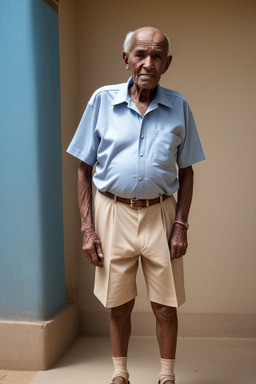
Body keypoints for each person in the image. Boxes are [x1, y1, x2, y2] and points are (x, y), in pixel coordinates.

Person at [67, 26, 205, 384]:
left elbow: (186, 172)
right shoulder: (102, 101)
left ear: (167, 63)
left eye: (157, 56)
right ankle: (119, 373)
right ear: (126, 59)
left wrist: (181, 225)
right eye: (140, 54)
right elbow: (84, 168)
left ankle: (167, 376)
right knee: (119, 302)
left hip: (162, 213)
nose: (148, 63)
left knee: (165, 304)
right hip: (112, 211)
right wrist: (87, 229)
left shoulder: (179, 106)